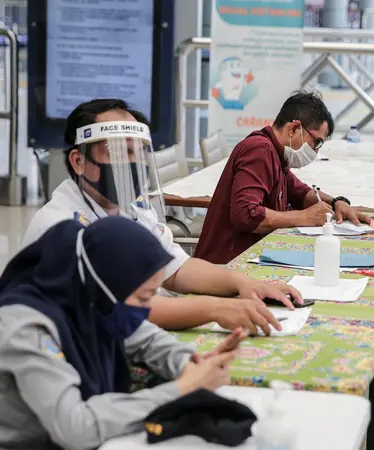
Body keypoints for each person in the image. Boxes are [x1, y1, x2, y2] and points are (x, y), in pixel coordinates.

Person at [0, 216, 244, 450]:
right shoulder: (26, 329)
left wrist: (190, 363)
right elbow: (76, 428)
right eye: (144, 298)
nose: (147, 309)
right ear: (107, 286)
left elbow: (148, 339)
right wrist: (183, 388)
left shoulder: (88, 298)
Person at [23, 98, 302, 336]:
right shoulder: (60, 227)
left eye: (138, 152)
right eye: (118, 152)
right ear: (78, 161)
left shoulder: (131, 207)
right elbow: (120, 310)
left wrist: (245, 284)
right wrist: (215, 308)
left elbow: (176, 268)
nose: (133, 163)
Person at [194, 90, 373, 265]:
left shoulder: (276, 153)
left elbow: (299, 192)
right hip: (226, 264)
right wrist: (303, 217)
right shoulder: (259, 150)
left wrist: (336, 203)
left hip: (250, 257)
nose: (316, 151)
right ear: (294, 128)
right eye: (316, 142)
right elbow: (247, 214)